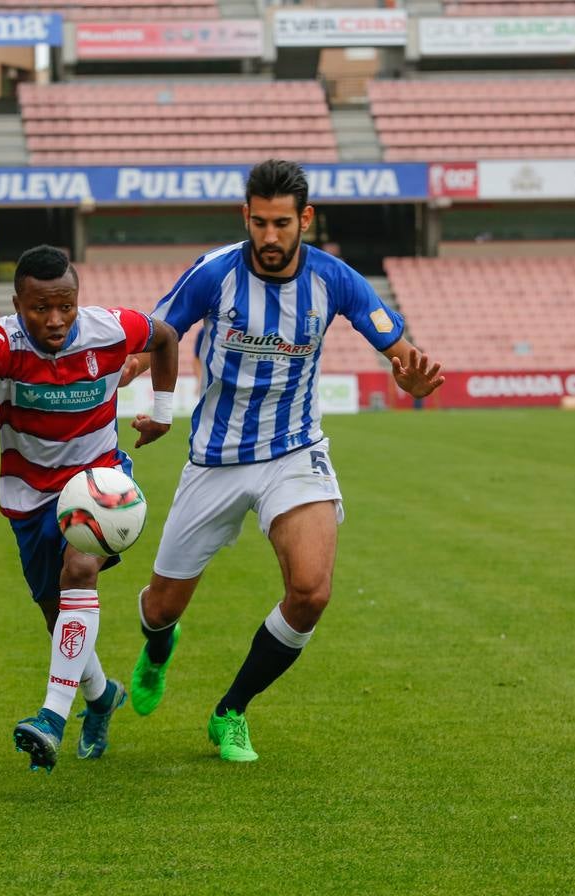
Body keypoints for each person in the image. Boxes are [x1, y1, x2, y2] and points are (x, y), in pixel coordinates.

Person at [121, 159, 444, 763]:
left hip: (294, 452)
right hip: (215, 460)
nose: (270, 238)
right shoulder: (214, 273)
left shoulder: (336, 280)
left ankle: (231, 711)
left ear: (306, 220)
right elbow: (156, 336)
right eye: (260, 223)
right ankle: (159, 648)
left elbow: (400, 353)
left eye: (283, 224)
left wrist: (413, 379)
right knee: (162, 607)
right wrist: (128, 375)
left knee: (311, 591)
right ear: (246, 216)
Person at [0, 244, 180, 773]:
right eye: (40, 308)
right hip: (28, 492)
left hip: (98, 480)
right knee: (56, 614)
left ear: (78, 298)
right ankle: (101, 695)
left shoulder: (110, 329)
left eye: (66, 306)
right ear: (18, 303)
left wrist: (163, 412)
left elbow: (166, 336)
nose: (55, 320)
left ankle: (52, 717)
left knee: (80, 569)